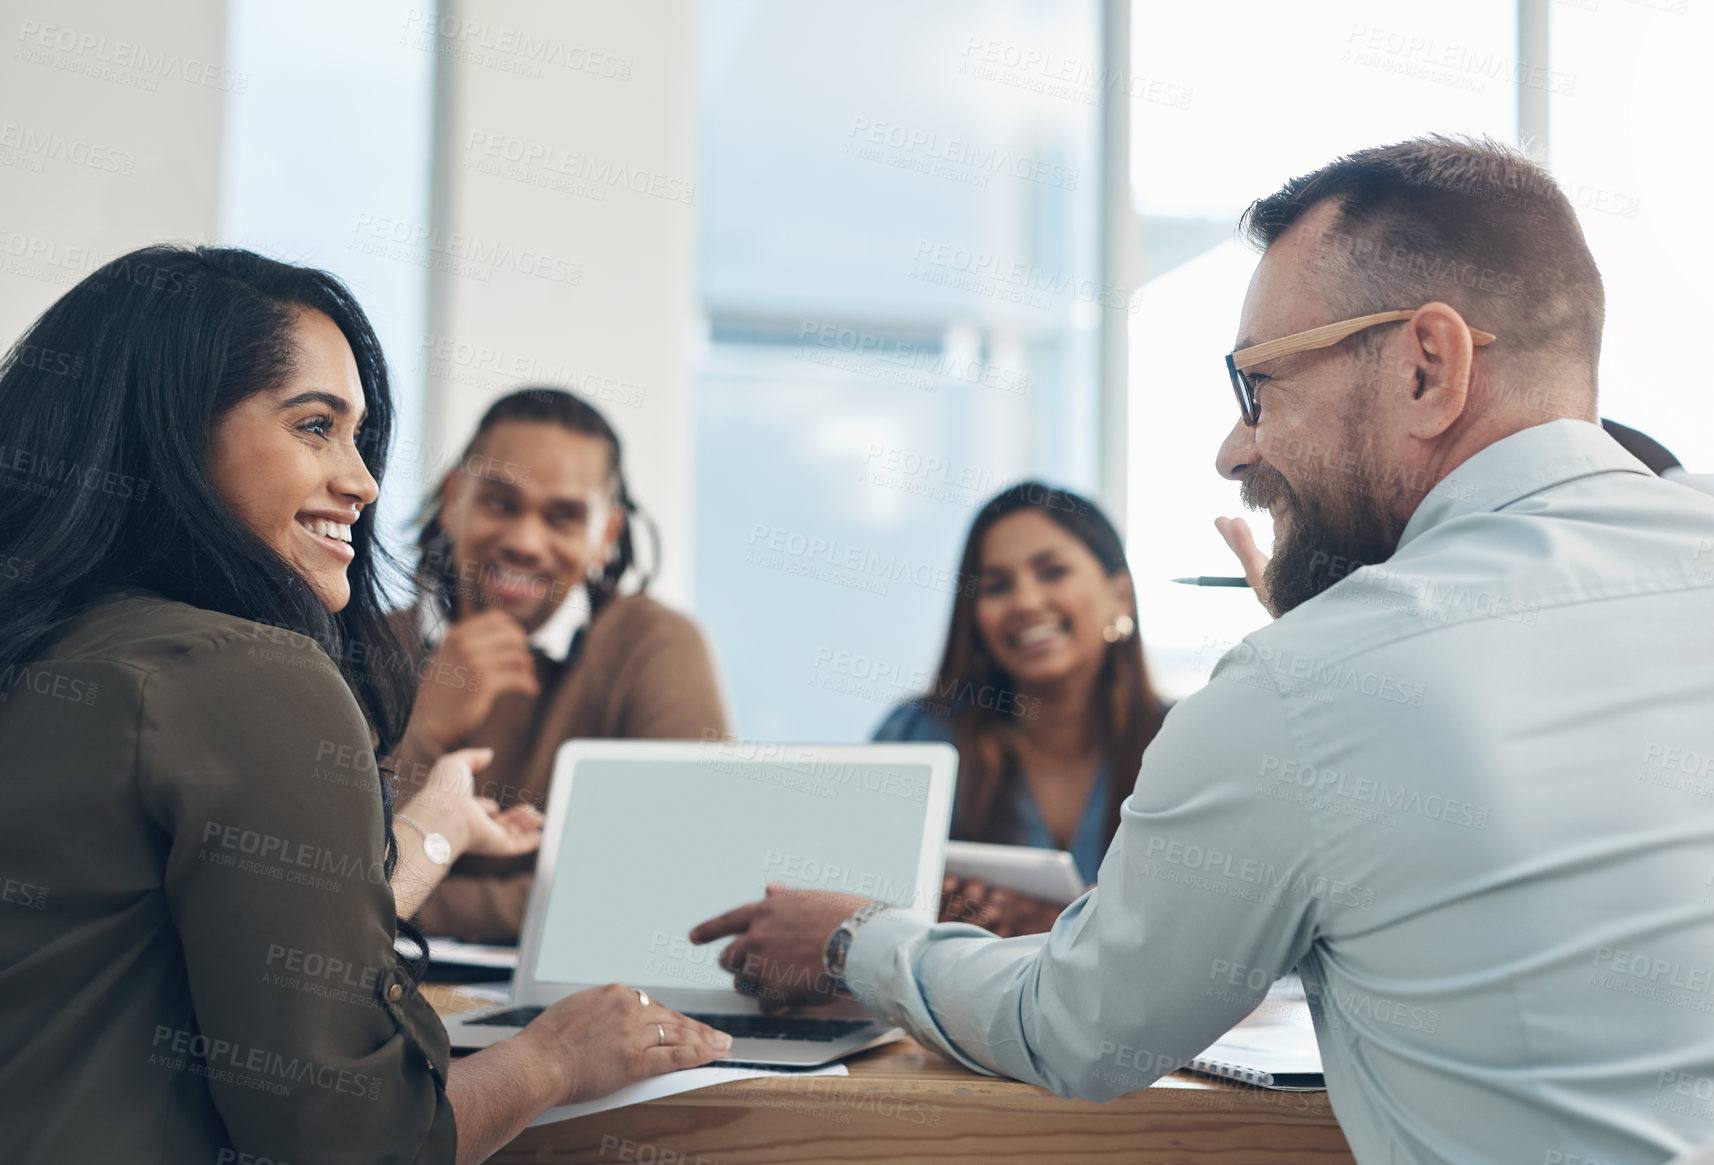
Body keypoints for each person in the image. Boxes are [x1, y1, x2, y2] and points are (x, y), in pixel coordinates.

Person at [688, 136, 1714, 1161]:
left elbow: (1078, 1025)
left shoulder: (1310, 681)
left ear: (1426, 365)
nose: (1236, 449)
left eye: (1259, 384)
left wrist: (852, 935)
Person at [0, 246, 730, 1165]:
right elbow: (357, 1136)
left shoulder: (59, 642)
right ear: (174, 433)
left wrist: (436, 828)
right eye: (315, 426)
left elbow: (251, 916)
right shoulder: (259, 671)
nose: (363, 480)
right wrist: (554, 1056)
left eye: (359, 435)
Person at [389, 387, 729, 943]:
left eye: (565, 517)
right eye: (500, 503)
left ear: (606, 537)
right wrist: (426, 727)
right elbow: (327, 877)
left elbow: (678, 884)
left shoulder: (652, 645)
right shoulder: (363, 640)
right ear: (454, 501)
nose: (525, 542)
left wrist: (406, 896)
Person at [873, 481, 1168, 936]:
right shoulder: (917, 734)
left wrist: (1063, 931)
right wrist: (922, 922)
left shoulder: (1188, 744)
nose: (1026, 602)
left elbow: (1226, 942)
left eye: (1052, 572)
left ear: (1120, 596)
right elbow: (856, 908)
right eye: (995, 585)